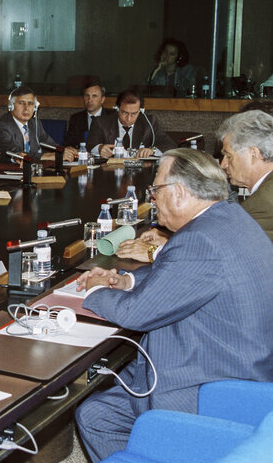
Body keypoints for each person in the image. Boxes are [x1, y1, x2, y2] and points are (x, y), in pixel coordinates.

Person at [74, 148, 273, 462]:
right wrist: (127, 281)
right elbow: (180, 273)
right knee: (98, 409)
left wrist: (95, 290)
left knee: (97, 415)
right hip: (246, 368)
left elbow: (134, 313)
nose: (152, 199)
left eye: (155, 190)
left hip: (209, 386)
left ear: (180, 193)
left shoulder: (200, 241)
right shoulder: (228, 218)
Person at [217, 110, 273, 240]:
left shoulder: (261, 204)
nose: (223, 164)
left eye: (228, 156)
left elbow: (227, 245)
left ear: (254, 153)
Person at [0, 86, 74, 162]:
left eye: (30, 103)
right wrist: (48, 156)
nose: (26, 108)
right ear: (11, 106)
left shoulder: (34, 123)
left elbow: (50, 145)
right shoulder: (1, 127)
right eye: (21, 103)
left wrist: (64, 151)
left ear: (35, 107)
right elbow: (17, 154)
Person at [87, 90, 176, 158]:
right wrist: (100, 148)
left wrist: (152, 150)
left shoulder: (149, 122)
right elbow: (90, 145)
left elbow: (169, 145)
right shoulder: (101, 122)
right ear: (117, 108)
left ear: (141, 111)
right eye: (124, 113)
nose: (128, 118)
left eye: (134, 114)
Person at [65, 80, 115, 149]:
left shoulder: (112, 116)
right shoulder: (76, 118)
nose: (89, 100)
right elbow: (68, 144)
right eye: (87, 96)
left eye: (94, 96)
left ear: (102, 99)